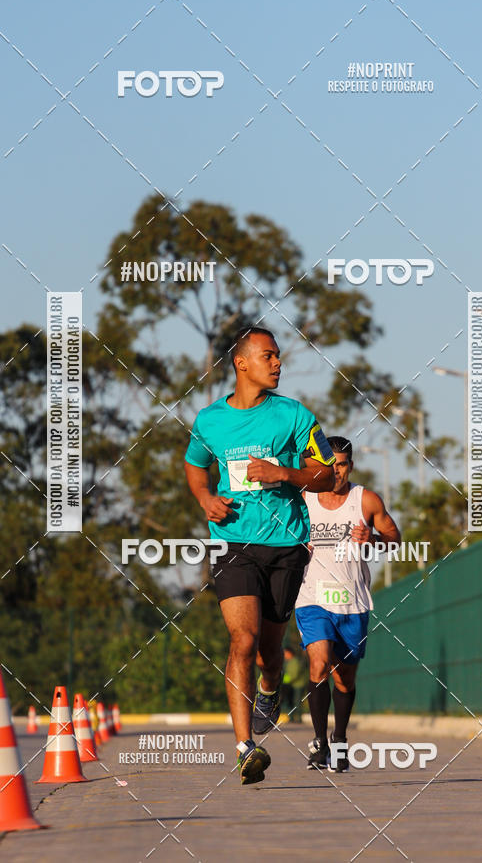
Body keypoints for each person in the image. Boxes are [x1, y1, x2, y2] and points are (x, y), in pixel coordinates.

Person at [184, 327, 335, 784]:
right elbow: (194, 465)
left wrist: (283, 473)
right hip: (232, 544)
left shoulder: (295, 416)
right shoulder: (209, 420)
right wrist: (205, 499)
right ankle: (246, 747)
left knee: (271, 651)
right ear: (241, 363)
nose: (277, 364)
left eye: (278, 357)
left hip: (287, 545)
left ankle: (270, 687)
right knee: (242, 641)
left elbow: (326, 475)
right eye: (268, 356)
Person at [295, 436, 401, 771]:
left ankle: (339, 737)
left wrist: (373, 538)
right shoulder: (303, 500)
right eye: (329, 465)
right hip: (311, 598)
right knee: (319, 664)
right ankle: (320, 743)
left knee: (345, 679)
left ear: (350, 466)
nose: (335, 472)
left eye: (341, 465)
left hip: (353, 601)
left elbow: (395, 539)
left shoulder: (365, 500)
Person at [282, 645, 307, 723]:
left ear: (290, 653)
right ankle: (292, 717)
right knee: (291, 701)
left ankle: (298, 718)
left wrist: (283, 681)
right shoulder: (289, 662)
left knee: (297, 701)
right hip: (292, 684)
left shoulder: (294, 661)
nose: (284, 655)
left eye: (285, 653)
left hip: (298, 685)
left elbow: (293, 675)